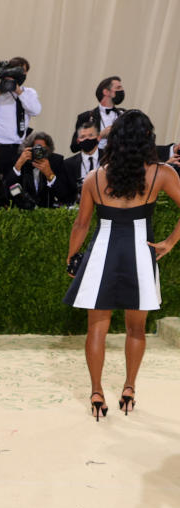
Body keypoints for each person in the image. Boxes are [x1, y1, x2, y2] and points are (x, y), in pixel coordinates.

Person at [64, 110, 180, 419]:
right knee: (136, 329)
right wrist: (169, 241)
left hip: (101, 254)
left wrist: (71, 256)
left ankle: (96, 393)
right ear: (147, 139)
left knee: (96, 330)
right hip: (142, 255)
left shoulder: (94, 177)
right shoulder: (161, 173)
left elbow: (81, 224)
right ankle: (129, 388)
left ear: (114, 140)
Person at [0, 57, 41, 178]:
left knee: (13, 184)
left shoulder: (28, 93)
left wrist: (18, 91)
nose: (22, 75)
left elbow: (35, 111)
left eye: (24, 72)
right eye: (19, 71)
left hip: (16, 149)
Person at [9, 132, 72, 208]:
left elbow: (64, 195)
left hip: (48, 211)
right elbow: (8, 191)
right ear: (28, 149)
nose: (38, 152)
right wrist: (18, 166)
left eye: (42, 149)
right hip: (23, 211)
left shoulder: (56, 162)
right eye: (36, 149)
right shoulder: (20, 160)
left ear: (49, 149)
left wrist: (50, 174)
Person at [69, 76, 124, 153]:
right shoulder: (86, 117)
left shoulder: (124, 115)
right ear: (106, 92)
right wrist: (100, 135)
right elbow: (74, 147)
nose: (122, 90)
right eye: (118, 88)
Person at [63, 121, 102, 203]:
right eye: (83, 137)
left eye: (91, 135)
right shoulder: (68, 164)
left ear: (98, 138)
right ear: (78, 141)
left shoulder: (111, 159)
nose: (87, 139)